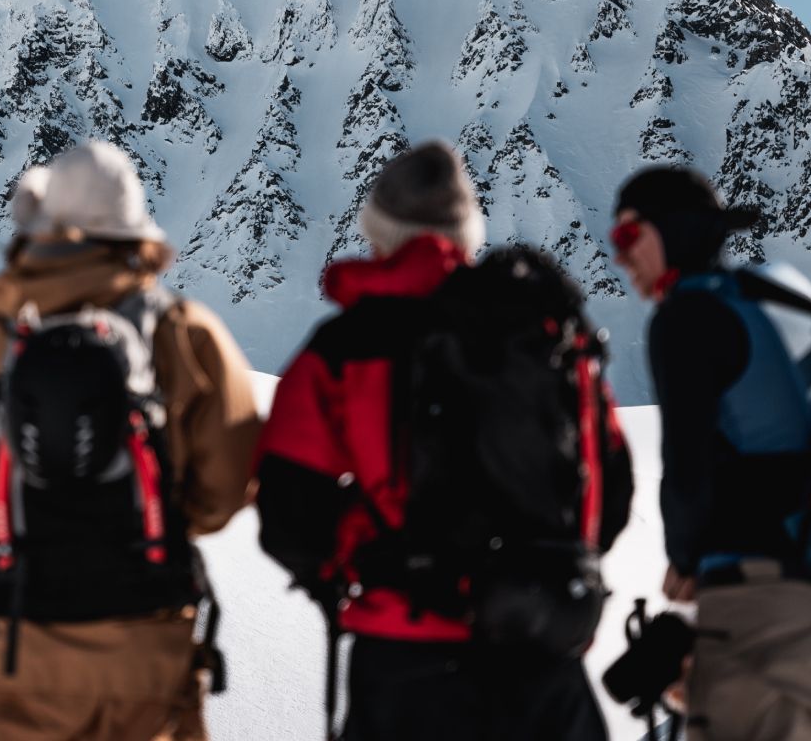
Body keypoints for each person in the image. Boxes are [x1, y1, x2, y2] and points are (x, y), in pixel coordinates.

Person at [256, 141, 633, 741]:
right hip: (544, 663)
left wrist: (362, 558)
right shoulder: (546, 334)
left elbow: (289, 511)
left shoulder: (351, 343)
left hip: (407, 664)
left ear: (381, 233)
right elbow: (609, 489)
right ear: (467, 235)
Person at [0, 141, 261, 741]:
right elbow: (226, 491)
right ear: (133, 233)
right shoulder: (186, 335)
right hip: (144, 644)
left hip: (11, 641)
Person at [612, 166, 811, 741]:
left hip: (759, 599)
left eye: (628, 237)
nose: (621, 258)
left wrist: (684, 559)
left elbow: (689, 467)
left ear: (671, 232)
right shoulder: (779, 295)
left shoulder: (685, 317)